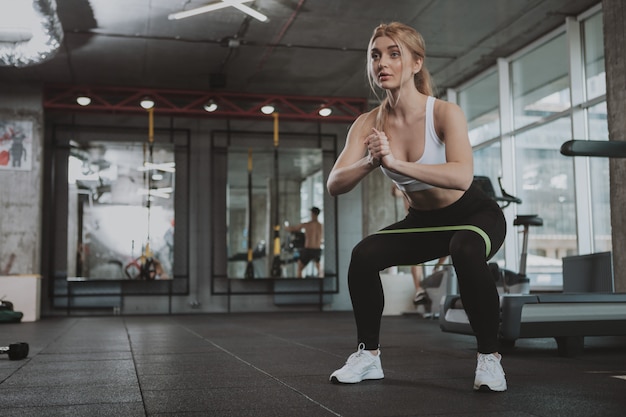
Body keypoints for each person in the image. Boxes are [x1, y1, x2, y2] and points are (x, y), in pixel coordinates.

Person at [326, 22, 507, 392]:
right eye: (375, 55)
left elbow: (460, 177)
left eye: (395, 54)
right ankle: (368, 356)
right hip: (424, 222)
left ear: (415, 63)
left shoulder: (443, 113)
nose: (383, 62)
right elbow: (334, 184)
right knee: (363, 255)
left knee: (465, 247)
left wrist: (396, 164)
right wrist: (370, 162)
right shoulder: (367, 124)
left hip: (475, 216)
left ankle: (490, 359)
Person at [285, 207, 324, 278]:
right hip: (317, 250)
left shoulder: (307, 225)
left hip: (308, 250)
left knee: (299, 268)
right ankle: (322, 286)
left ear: (313, 214)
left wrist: (286, 227)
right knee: (319, 269)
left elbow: (294, 229)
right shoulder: (321, 226)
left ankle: (299, 285)